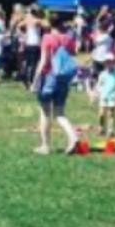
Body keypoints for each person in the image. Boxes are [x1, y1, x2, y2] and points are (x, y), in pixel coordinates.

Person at [31, 15, 79, 155]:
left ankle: (45, 146)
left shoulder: (47, 38)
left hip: (49, 77)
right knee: (59, 113)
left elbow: (44, 61)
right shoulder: (68, 39)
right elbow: (72, 55)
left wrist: (35, 81)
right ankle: (73, 136)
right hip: (64, 79)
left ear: (49, 24)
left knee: (45, 112)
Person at [97, 53, 115, 138]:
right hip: (104, 96)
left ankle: (111, 130)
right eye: (107, 62)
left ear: (114, 63)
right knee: (101, 114)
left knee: (111, 114)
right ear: (105, 64)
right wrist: (97, 93)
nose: (109, 64)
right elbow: (99, 85)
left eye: (111, 62)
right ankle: (101, 128)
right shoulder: (102, 74)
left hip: (113, 96)